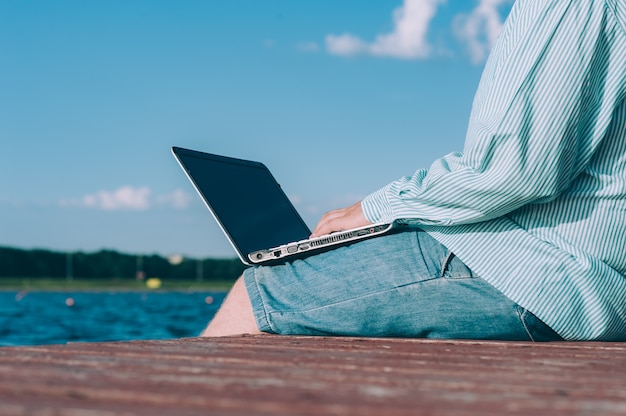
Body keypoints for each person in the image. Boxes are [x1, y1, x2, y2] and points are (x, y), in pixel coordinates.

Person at [202, 0, 626, 341]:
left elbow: (511, 169)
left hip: (551, 274)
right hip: (598, 276)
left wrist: (369, 211)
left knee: (266, 291)